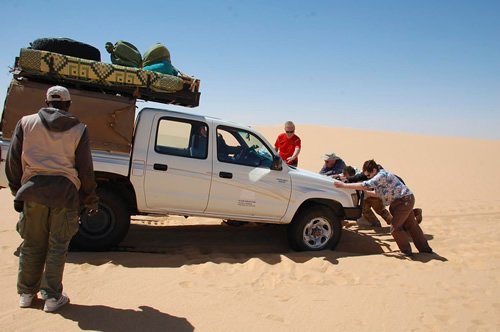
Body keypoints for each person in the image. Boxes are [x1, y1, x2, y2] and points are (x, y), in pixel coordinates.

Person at [6, 86, 98, 312]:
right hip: (65, 194)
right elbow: (85, 168)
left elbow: (13, 160)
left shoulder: (25, 123)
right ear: (68, 104)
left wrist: (18, 189)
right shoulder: (79, 128)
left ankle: (26, 294)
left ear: (46, 102)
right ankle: (51, 297)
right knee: (57, 246)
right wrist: (90, 198)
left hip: (33, 191)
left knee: (32, 243)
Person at [334, 159, 432, 257]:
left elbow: (365, 185)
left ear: (374, 171)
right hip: (404, 201)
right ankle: (425, 249)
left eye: (368, 175)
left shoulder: (381, 176)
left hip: (404, 202)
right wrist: (365, 192)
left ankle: (406, 251)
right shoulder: (380, 176)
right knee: (411, 225)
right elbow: (377, 193)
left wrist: (344, 185)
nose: (367, 177)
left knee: (395, 228)